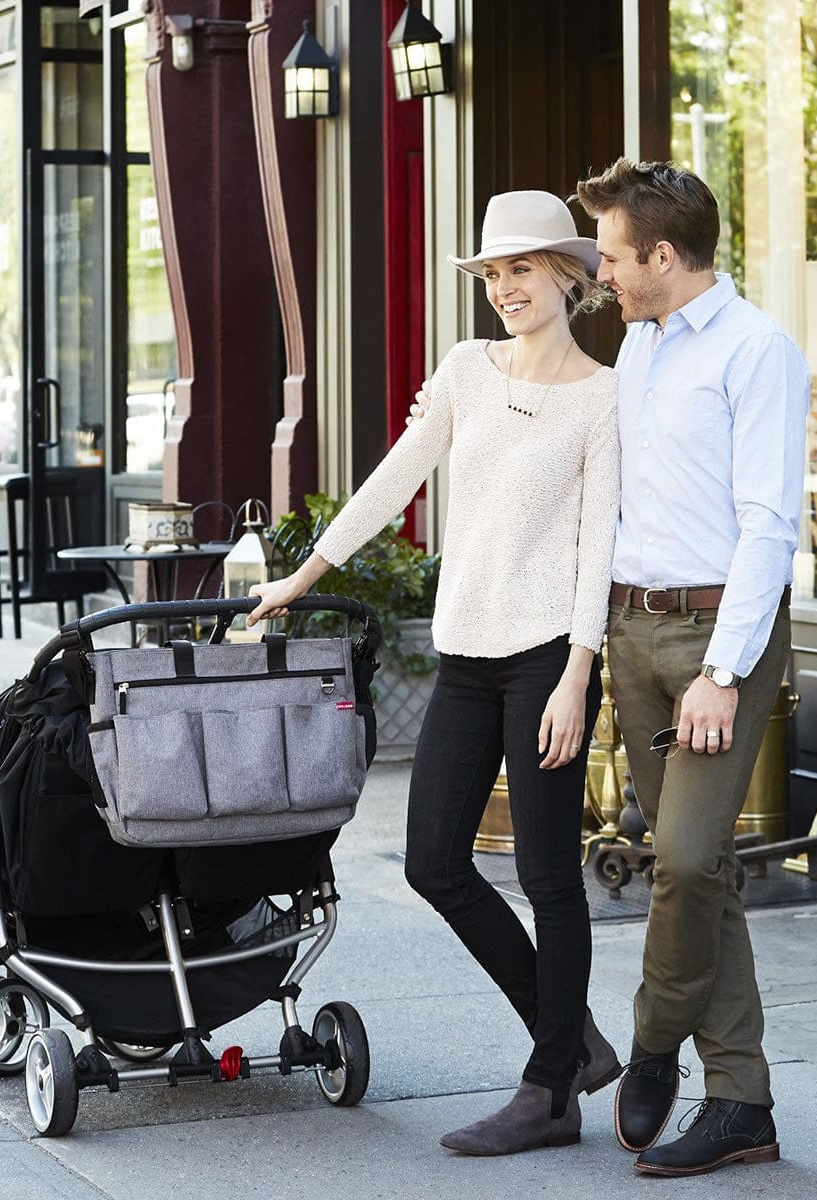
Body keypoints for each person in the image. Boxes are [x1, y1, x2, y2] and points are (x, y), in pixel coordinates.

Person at [247, 190, 623, 1156]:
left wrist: (578, 673)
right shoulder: (464, 370)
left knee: (547, 877)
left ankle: (549, 1092)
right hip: (466, 655)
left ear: (566, 277)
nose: (504, 288)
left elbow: (598, 546)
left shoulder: (603, 396)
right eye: (493, 274)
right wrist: (304, 573)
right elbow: (395, 477)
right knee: (434, 864)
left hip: (547, 659)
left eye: (521, 270)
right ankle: (571, 1038)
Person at [575, 159, 809, 1177]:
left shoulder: (758, 352)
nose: (603, 274)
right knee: (703, 869)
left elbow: (769, 526)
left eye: (613, 257)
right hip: (635, 632)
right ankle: (742, 1102)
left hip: (720, 641)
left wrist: (722, 669)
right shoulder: (640, 343)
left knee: (680, 860)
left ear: (663, 256)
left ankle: (654, 1036)